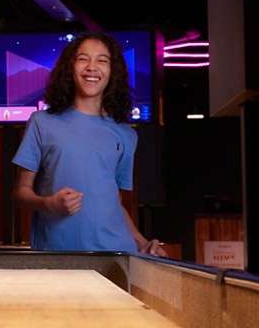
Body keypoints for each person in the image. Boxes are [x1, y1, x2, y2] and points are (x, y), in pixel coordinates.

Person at [11, 33, 164, 255]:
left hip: (114, 256)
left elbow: (114, 204)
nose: (92, 67)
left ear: (113, 72)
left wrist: (141, 242)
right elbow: (20, 193)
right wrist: (49, 204)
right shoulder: (41, 122)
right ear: (70, 67)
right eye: (83, 59)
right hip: (57, 255)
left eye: (102, 60)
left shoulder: (126, 135)